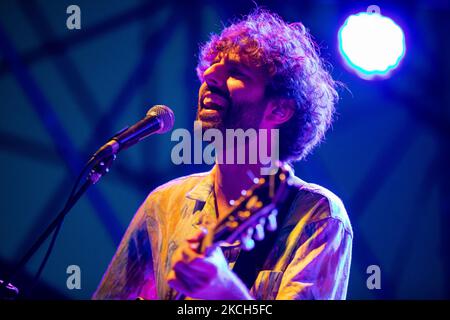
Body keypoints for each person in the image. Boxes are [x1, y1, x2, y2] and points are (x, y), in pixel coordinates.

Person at [92, 9, 352, 300]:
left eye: (237, 73)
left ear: (279, 109)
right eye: (211, 67)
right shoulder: (163, 204)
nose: (210, 75)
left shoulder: (317, 214)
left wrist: (224, 290)